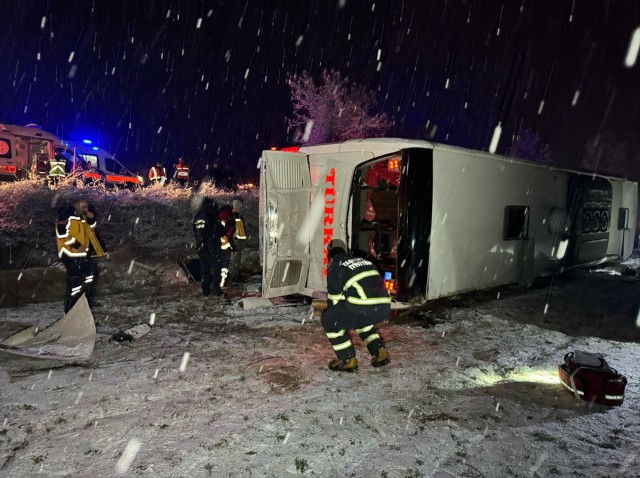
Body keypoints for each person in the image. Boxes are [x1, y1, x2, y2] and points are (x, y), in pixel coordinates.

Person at [320, 239, 391, 372]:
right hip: (383, 307)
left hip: (363, 306)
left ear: (330, 258)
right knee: (360, 319)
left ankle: (348, 360)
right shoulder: (362, 261)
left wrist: (336, 321)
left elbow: (334, 302)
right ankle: (380, 352)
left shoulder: (336, 268)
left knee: (329, 319)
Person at [56, 198, 105, 313]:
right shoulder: (65, 216)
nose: (86, 209)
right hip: (69, 253)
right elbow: (61, 234)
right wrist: (77, 245)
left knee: (93, 273)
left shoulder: (81, 216)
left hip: (82, 253)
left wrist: (91, 217)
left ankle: (86, 301)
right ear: (76, 204)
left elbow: (90, 228)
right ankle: (70, 308)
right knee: (74, 282)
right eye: (84, 207)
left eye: (87, 207)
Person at [193, 197, 225, 298]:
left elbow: (220, 231)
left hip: (208, 246)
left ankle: (207, 290)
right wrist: (206, 244)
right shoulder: (204, 217)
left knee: (207, 268)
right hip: (208, 247)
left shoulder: (210, 217)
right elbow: (200, 234)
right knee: (214, 268)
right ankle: (214, 290)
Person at [217, 204, 236, 288]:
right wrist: (232, 245)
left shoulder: (219, 219)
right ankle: (223, 282)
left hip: (219, 246)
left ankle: (222, 281)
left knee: (220, 265)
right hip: (224, 245)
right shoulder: (227, 221)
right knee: (224, 265)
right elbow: (228, 235)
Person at [228, 198, 247, 282]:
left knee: (236, 259)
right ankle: (233, 277)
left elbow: (241, 229)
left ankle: (234, 276)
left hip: (238, 241)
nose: (240, 208)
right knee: (234, 260)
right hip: (235, 241)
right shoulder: (233, 216)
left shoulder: (238, 215)